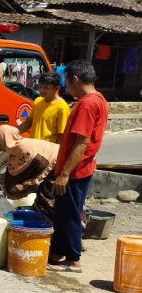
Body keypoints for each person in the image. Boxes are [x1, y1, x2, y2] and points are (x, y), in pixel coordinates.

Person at [49, 62, 109, 273]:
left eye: (67, 82)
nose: (65, 87)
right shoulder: (98, 100)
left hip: (76, 170)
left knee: (70, 213)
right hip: (81, 167)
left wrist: (65, 173)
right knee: (63, 211)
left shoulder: (87, 104)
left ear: (75, 79)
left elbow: (82, 142)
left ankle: (73, 259)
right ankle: (58, 252)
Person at [0, 125, 59, 220]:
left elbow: (40, 168)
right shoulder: (15, 153)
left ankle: (49, 228)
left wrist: (24, 185)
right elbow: (7, 176)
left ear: (5, 140)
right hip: (54, 171)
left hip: (60, 166)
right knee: (43, 203)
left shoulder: (26, 149)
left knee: (47, 202)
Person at [17, 71, 70, 143]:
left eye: (46, 88)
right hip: (32, 147)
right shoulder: (38, 101)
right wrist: (13, 133)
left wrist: (54, 152)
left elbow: (62, 135)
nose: (42, 90)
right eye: (40, 86)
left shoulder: (62, 107)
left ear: (56, 89)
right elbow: (28, 123)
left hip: (47, 151)